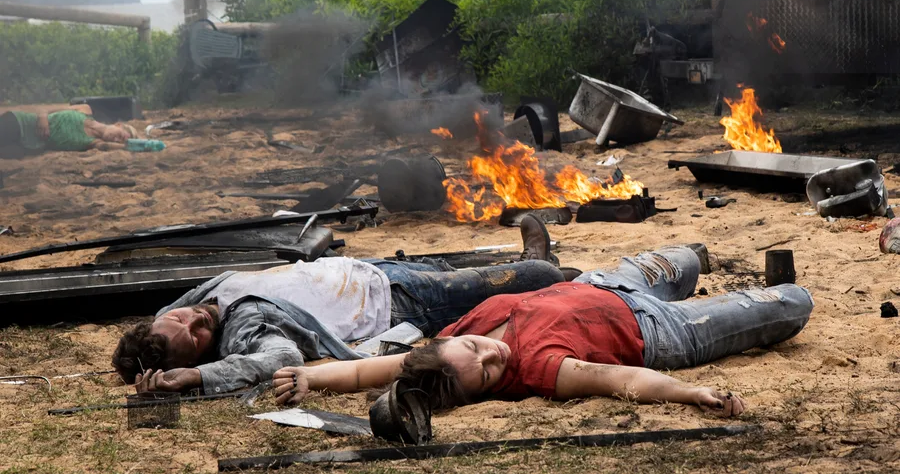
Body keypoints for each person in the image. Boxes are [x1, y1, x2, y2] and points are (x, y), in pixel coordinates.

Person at [272, 245, 814, 417]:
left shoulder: (452, 340)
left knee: (686, 259)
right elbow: (622, 380)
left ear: (448, 339)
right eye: (487, 374)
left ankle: (685, 267)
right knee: (793, 302)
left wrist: (309, 377)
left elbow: (369, 370)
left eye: (476, 348)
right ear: (484, 392)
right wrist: (691, 393)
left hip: (606, 282)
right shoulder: (541, 369)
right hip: (658, 329)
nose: (494, 355)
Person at [112, 215, 566, 395]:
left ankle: (529, 272)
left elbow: (168, 324)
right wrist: (196, 377)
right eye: (195, 337)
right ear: (203, 354)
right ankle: (542, 270)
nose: (195, 318)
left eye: (180, 317)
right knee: (535, 277)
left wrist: (151, 351)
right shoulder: (243, 328)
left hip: (370, 270)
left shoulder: (194, 304)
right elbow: (280, 358)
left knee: (451, 267)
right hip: (396, 302)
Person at [0, 104, 136, 159]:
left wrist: (131, 146)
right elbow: (46, 108)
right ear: (118, 125)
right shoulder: (85, 109)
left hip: (25, 147)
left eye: (118, 142)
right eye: (120, 135)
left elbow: (105, 147)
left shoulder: (93, 143)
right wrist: (43, 116)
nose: (115, 139)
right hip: (22, 123)